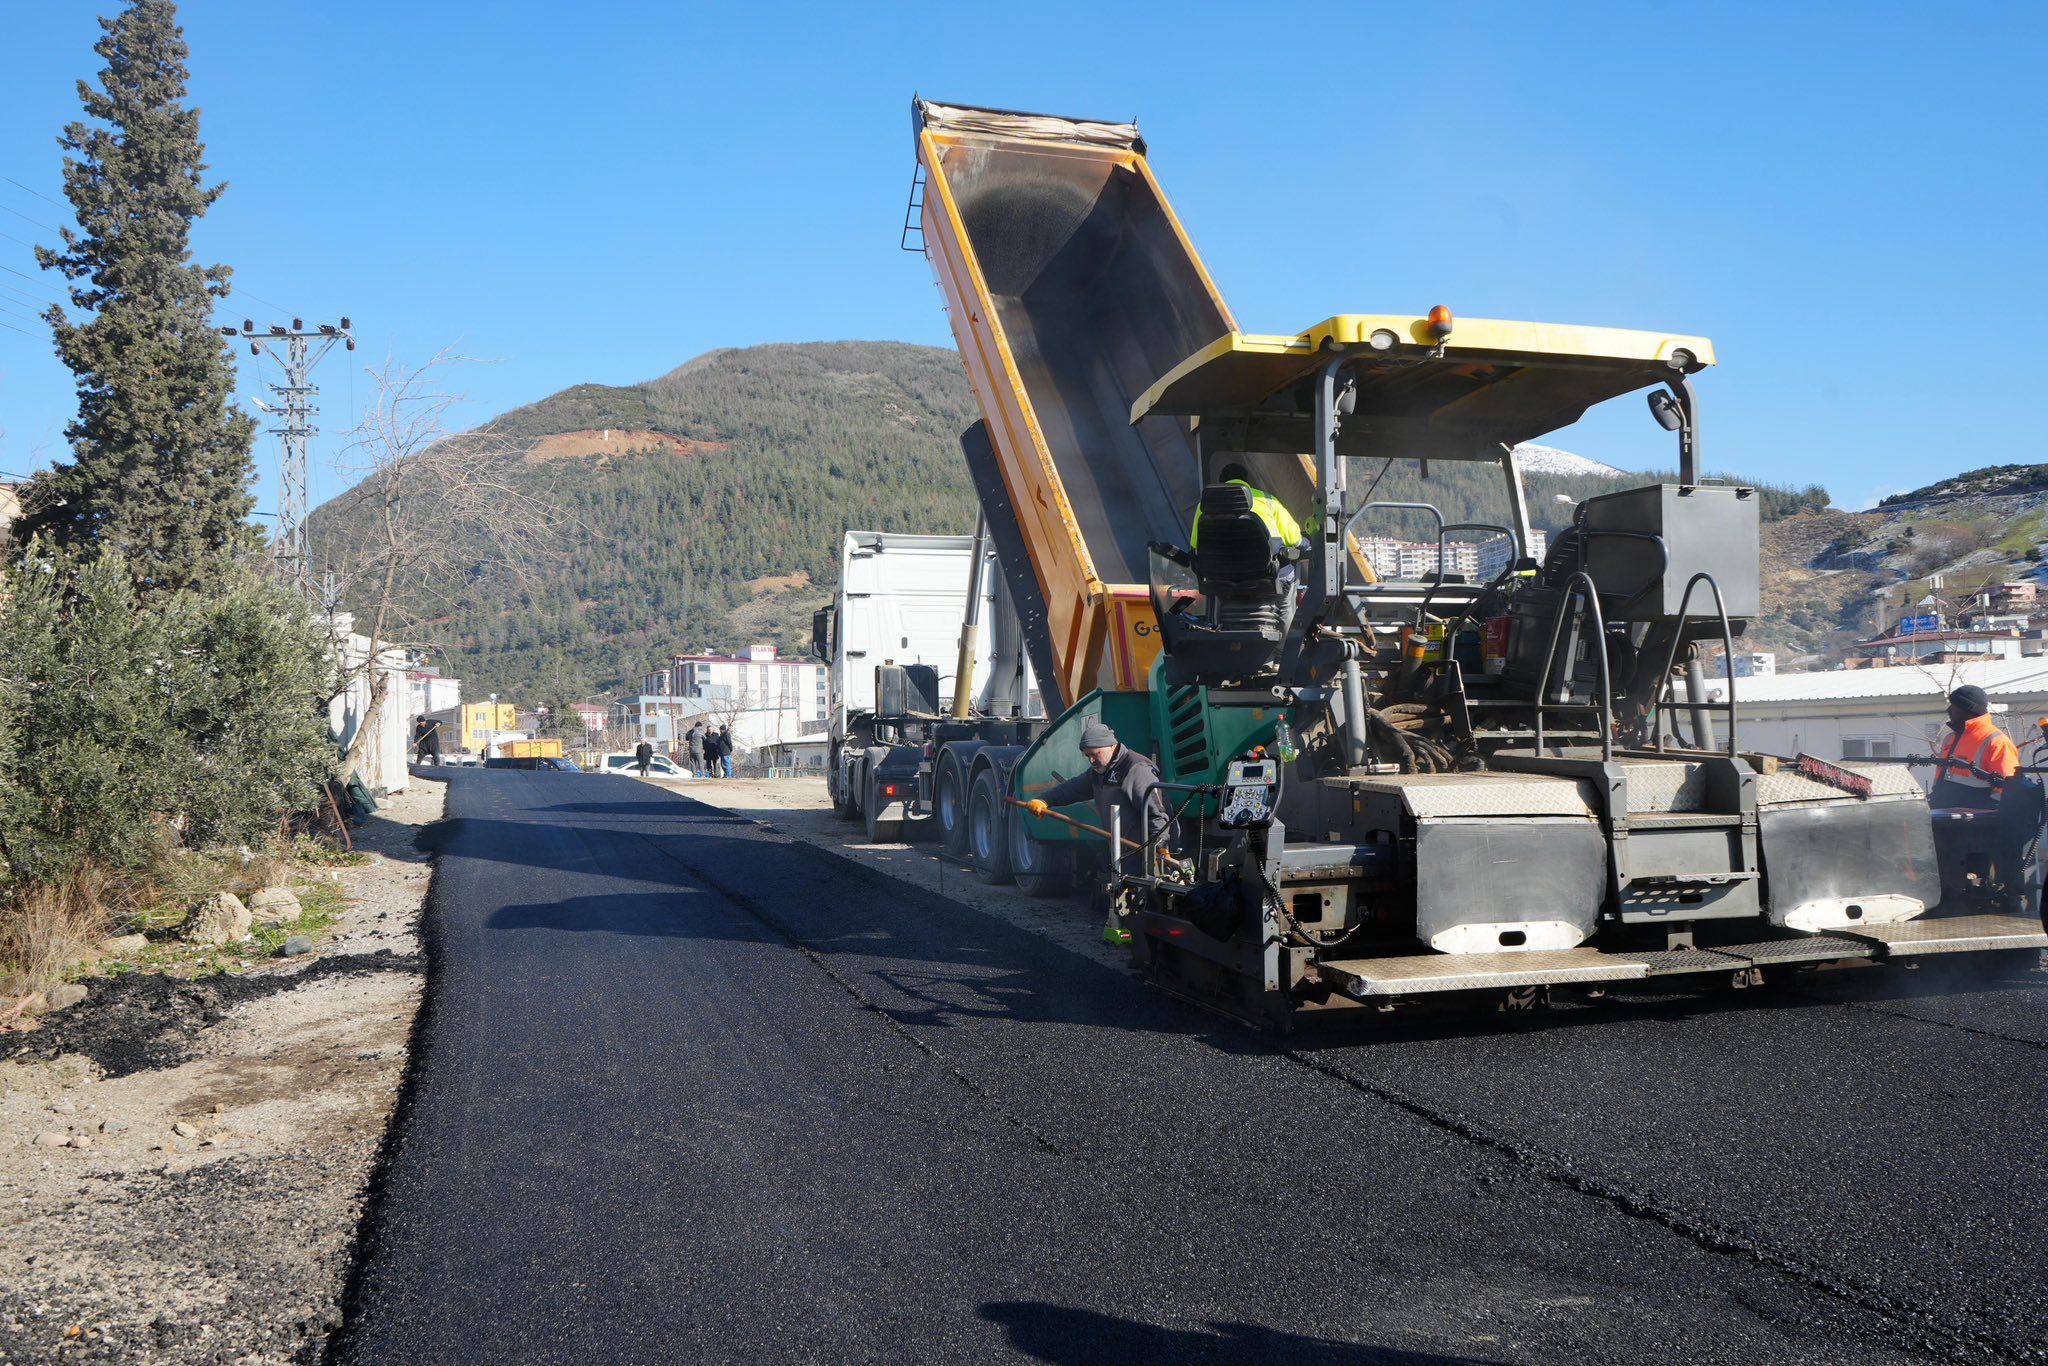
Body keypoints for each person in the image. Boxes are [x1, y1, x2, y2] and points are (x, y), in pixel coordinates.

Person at [1930, 684, 2033, 911]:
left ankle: (1990, 900)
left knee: (1975, 868)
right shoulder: (1951, 738)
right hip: (1947, 819)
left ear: (1968, 709)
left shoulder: (1996, 741)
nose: (1949, 710)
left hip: (1977, 824)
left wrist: (1987, 820)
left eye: (1954, 705)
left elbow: (2007, 787)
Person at [1190, 462, 1306, 552]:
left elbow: (1195, 544)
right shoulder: (1268, 500)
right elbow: (1294, 538)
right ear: (1246, 481)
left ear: (1221, 482)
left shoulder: (1205, 505)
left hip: (1218, 576)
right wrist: (1306, 544)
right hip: (1266, 576)